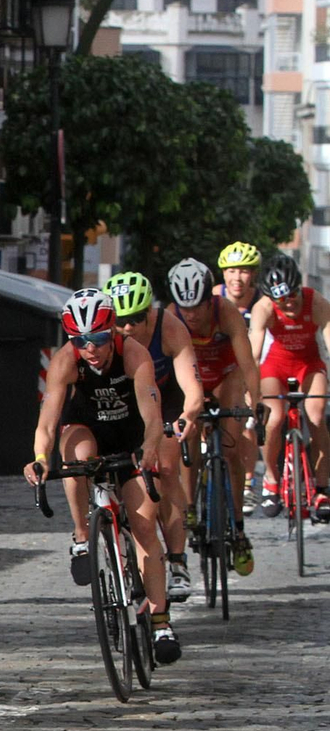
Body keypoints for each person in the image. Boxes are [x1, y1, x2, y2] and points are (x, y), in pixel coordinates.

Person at [26, 288, 180, 664]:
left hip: (130, 437)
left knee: (144, 525)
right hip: (86, 429)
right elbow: (47, 423)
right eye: (80, 340)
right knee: (76, 456)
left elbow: (152, 417)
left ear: (111, 330)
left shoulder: (134, 354)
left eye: (97, 338)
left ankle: (160, 622)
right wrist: (40, 459)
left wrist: (149, 449)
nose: (90, 348)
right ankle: (82, 533)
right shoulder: (66, 360)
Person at [104, 270, 202, 602]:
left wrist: (188, 415)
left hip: (167, 400)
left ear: (149, 312)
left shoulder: (170, 327)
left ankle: (177, 561)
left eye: (135, 319)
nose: (127, 328)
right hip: (127, 404)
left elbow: (192, 387)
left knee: (168, 469)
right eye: (120, 321)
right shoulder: (106, 338)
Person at [166, 257, 261, 575]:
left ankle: (238, 528)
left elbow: (247, 364)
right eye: (185, 308)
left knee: (231, 448)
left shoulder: (227, 312)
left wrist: (257, 401)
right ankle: (190, 506)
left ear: (210, 300)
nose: (191, 315)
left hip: (226, 375)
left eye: (197, 307)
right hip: (190, 377)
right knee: (189, 434)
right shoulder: (171, 316)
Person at [249, 255, 330, 521]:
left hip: (309, 364)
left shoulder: (316, 302)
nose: (289, 302)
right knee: (274, 418)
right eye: (281, 299)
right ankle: (271, 479)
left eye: (293, 294)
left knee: (316, 416)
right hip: (276, 366)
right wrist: (250, 392)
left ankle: (321, 488)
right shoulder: (264, 308)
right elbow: (253, 355)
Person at [215, 241, 266, 514]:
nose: (237, 277)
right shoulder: (213, 298)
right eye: (232, 270)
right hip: (218, 366)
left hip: (253, 363)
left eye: (244, 271)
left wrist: (252, 389)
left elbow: (257, 353)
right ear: (223, 273)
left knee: (246, 420)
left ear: (253, 274)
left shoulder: (261, 302)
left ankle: (247, 480)